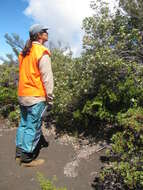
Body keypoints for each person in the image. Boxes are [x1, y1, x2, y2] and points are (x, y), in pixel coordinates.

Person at [15, 24, 54, 167]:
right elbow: (47, 78)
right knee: (33, 126)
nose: (46, 33)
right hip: (35, 96)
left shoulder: (24, 52)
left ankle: (19, 153)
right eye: (44, 31)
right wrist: (50, 97)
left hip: (22, 94)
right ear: (39, 35)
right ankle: (27, 159)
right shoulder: (42, 51)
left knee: (24, 124)